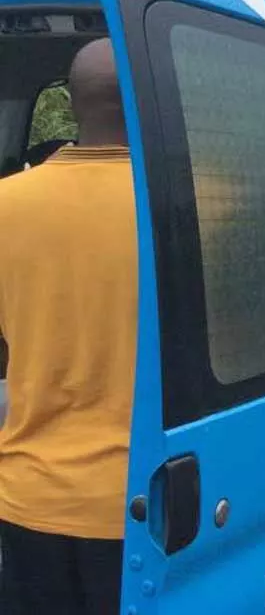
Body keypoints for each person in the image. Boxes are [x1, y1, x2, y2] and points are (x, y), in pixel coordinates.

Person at [0, 38, 137, 613]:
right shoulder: (195, 204)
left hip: (27, 498)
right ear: (141, 96)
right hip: (146, 503)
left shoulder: (6, 204)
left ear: (72, 104)